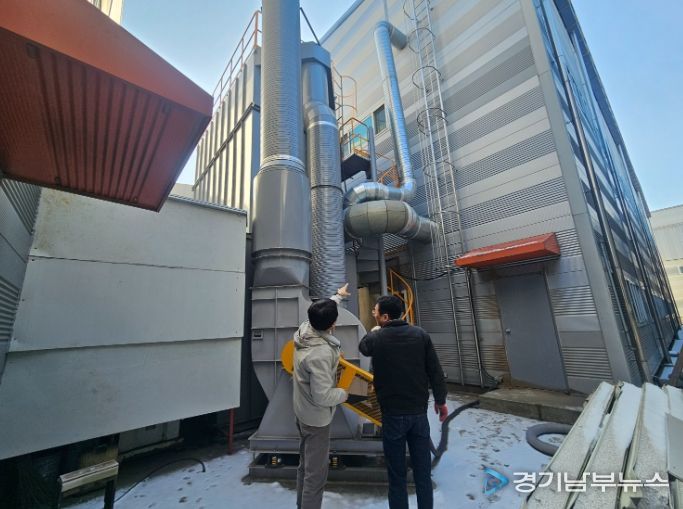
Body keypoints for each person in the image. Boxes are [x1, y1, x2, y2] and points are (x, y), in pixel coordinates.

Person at [359, 295, 448, 509]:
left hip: (392, 415)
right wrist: (441, 400)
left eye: (376, 312)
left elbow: (363, 347)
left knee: (397, 476)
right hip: (418, 414)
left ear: (385, 317)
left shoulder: (377, 338)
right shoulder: (421, 334)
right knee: (422, 473)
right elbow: (435, 371)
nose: (373, 314)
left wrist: (374, 330)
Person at [292, 284, 351, 509]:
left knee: (305, 465)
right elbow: (323, 396)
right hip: (316, 420)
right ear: (332, 324)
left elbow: (322, 312)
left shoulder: (305, 329)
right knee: (315, 476)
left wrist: (337, 296)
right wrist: (344, 393)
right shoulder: (320, 354)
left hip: (302, 410)